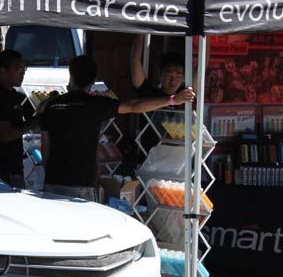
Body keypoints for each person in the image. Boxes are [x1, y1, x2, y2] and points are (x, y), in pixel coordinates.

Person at [41, 56, 196, 201]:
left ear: (71, 75)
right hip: (82, 182)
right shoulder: (95, 104)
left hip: (53, 180)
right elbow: (133, 106)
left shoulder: (51, 106)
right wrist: (173, 100)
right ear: (93, 81)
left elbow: (45, 147)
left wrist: (49, 174)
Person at [0, 50, 42, 187]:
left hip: (14, 167)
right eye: (18, 69)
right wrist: (33, 123)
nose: (22, 73)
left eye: (24, 69)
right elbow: (5, 135)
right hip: (0, 171)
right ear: (2, 71)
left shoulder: (13, 94)